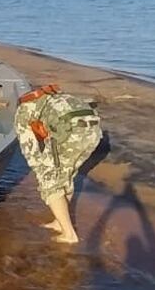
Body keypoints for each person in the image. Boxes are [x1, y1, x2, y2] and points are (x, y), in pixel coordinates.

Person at [14, 84, 102, 243]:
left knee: (49, 182)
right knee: (66, 175)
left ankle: (69, 234)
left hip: (73, 133)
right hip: (94, 133)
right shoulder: (54, 97)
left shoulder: (22, 112)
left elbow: (31, 152)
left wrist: (43, 171)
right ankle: (59, 222)